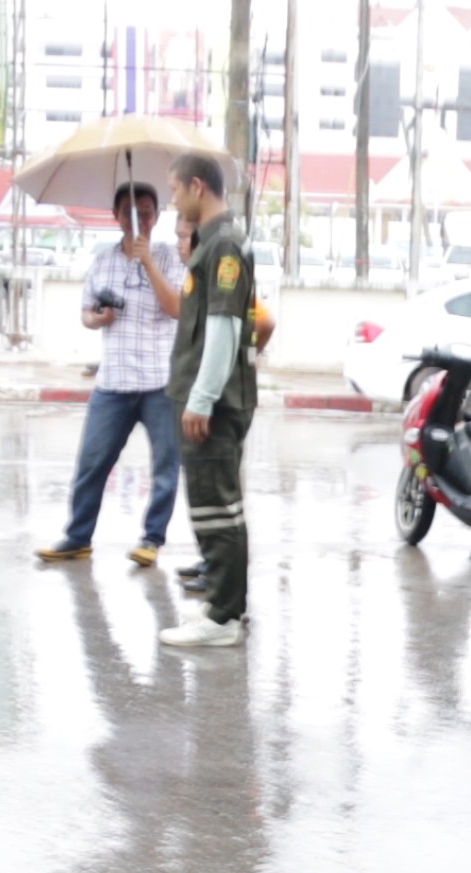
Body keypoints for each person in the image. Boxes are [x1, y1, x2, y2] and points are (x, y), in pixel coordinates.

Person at [35, 183, 185, 568]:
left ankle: (151, 539)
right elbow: (86, 313)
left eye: (148, 212)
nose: (140, 220)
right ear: (117, 216)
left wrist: (147, 260)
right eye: (131, 213)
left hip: (159, 381)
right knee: (92, 463)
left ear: (157, 216)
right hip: (114, 381)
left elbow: (176, 309)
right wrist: (97, 318)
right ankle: (77, 537)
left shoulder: (169, 258)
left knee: (165, 467)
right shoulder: (102, 261)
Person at [158, 153, 258, 648]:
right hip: (211, 399)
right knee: (217, 507)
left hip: (215, 404)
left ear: (198, 186)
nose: (173, 200)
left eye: (176, 190)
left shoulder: (223, 246)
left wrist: (201, 399)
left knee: (217, 508)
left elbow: (224, 329)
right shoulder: (213, 243)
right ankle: (225, 609)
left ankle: (222, 616)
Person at [173, 217, 275, 596]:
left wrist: (237, 363)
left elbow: (262, 322)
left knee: (220, 502)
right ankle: (217, 581)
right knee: (216, 502)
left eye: (184, 235)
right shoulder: (202, 271)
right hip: (222, 396)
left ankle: (224, 604)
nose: (180, 244)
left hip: (224, 402)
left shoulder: (222, 255)